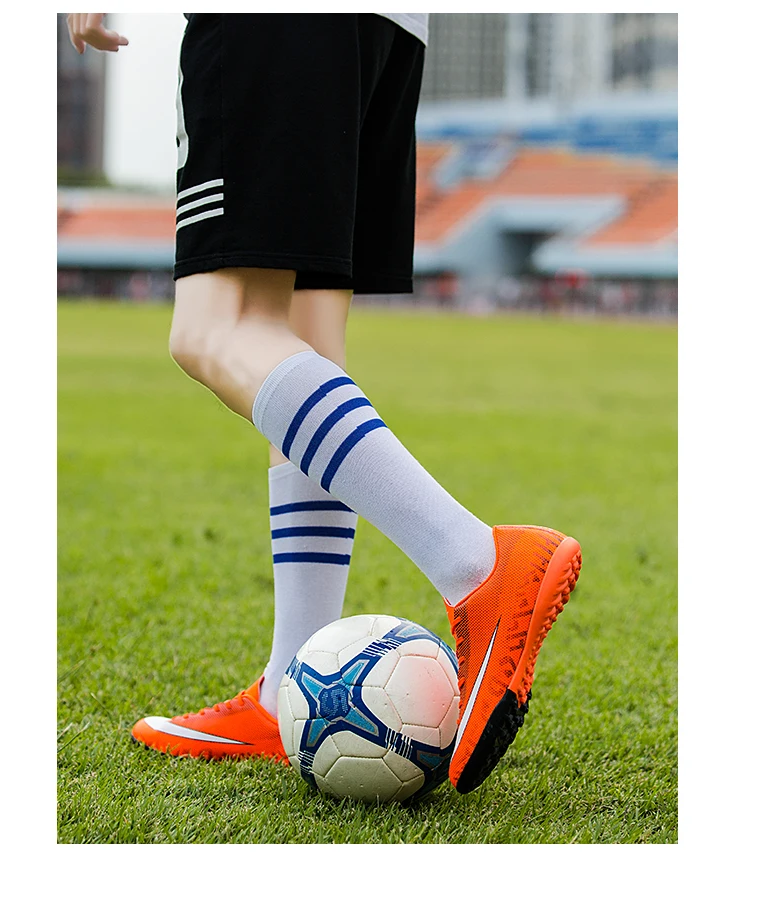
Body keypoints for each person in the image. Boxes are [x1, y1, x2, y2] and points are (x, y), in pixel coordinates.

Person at [66, 12, 582, 795]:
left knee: (215, 330)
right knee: (303, 334)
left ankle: (478, 563)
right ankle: (287, 686)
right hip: (385, 27)